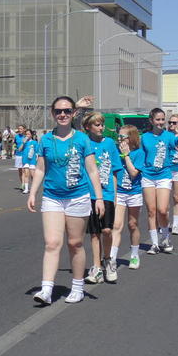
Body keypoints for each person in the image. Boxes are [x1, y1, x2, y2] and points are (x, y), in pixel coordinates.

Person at [27, 96, 104, 305]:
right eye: (59, 111)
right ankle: (46, 290)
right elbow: (41, 168)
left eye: (67, 111)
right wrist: (33, 192)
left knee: (75, 243)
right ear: (52, 114)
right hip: (52, 197)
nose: (62, 115)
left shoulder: (81, 139)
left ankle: (77, 287)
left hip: (78, 197)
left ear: (73, 114)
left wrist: (98, 198)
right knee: (52, 243)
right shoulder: (45, 140)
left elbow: (92, 170)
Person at [82, 112, 123, 285]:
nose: (101, 128)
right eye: (97, 125)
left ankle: (108, 260)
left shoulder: (110, 144)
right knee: (94, 233)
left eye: (102, 124)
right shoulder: (84, 143)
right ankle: (97, 267)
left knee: (107, 230)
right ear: (88, 127)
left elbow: (115, 171)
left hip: (106, 194)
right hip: (89, 194)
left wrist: (113, 196)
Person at [141, 108, 178, 255]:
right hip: (148, 176)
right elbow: (141, 156)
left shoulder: (168, 136)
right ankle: (154, 243)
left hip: (164, 176)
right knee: (151, 211)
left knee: (162, 209)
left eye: (162, 120)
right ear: (151, 120)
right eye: (158, 119)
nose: (161, 122)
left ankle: (165, 237)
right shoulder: (145, 137)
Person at [110, 125, 144, 272]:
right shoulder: (115, 152)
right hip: (120, 193)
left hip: (134, 193)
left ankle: (135, 255)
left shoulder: (139, 153)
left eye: (122, 137)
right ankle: (111, 258)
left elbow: (133, 173)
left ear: (130, 138)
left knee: (132, 224)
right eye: (118, 137)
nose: (119, 140)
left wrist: (126, 156)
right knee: (116, 226)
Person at [21, 129, 38, 195]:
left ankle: (33, 188)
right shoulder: (24, 142)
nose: (27, 135)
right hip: (25, 160)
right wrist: (23, 143)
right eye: (26, 134)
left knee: (32, 175)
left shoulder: (34, 142)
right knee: (26, 174)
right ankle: (26, 189)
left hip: (32, 160)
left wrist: (37, 159)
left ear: (31, 135)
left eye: (28, 134)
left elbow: (37, 151)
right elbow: (19, 149)